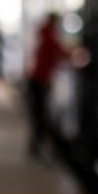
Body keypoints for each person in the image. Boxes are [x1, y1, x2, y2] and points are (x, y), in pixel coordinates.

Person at [27, 12, 68, 160]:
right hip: (41, 80)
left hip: (37, 79)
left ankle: (35, 146)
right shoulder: (49, 36)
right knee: (41, 115)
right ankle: (38, 146)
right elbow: (62, 52)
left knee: (38, 114)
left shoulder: (44, 34)